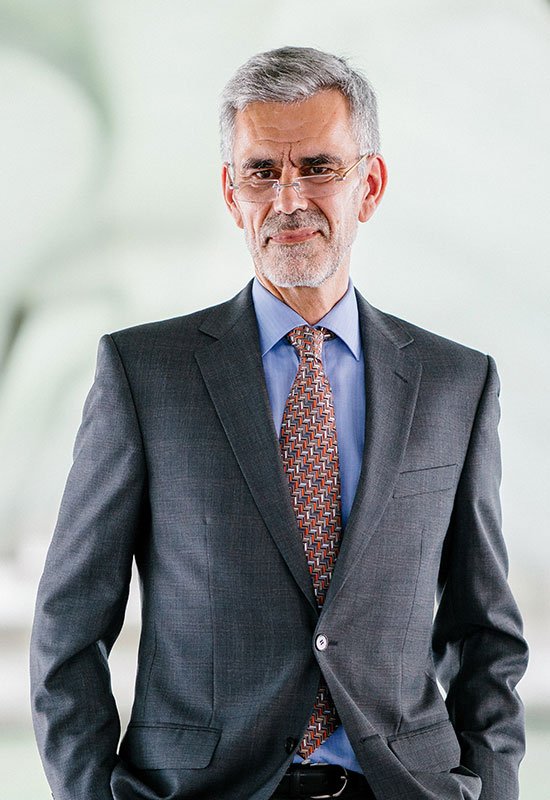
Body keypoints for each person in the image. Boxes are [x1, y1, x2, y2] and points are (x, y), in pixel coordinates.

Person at [30, 46, 528, 800]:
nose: (289, 198)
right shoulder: (144, 374)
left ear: (370, 185)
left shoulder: (456, 382)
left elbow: (485, 633)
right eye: (262, 171)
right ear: (232, 194)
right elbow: (67, 628)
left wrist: (489, 786)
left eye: (319, 167)